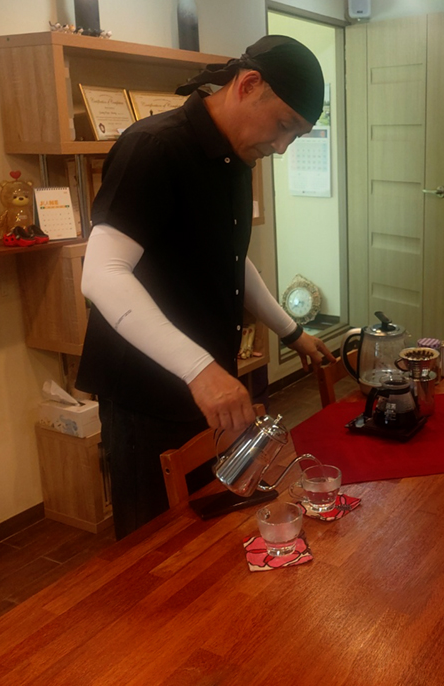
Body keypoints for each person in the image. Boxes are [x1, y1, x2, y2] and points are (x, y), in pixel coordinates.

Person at [76, 35, 335, 539]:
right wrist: (201, 371)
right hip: (147, 393)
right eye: (284, 126)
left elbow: (231, 259)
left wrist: (291, 332)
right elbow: (102, 273)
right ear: (248, 85)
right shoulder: (154, 147)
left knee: (207, 534)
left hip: (206, 387)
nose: (282, 147)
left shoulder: (234, 159)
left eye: (296, 136)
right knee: (155, 547)